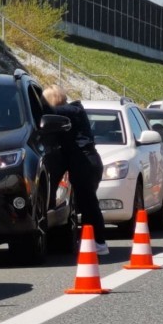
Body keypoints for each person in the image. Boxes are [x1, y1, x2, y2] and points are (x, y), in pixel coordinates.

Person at [42, 85, 109, 255]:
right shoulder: (70, 112)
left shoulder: (73, 111)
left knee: (88, 203)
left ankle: (99, 242)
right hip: (85, 162)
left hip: (86, 162)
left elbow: (51, 112)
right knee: (86, 202)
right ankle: (92, 241)